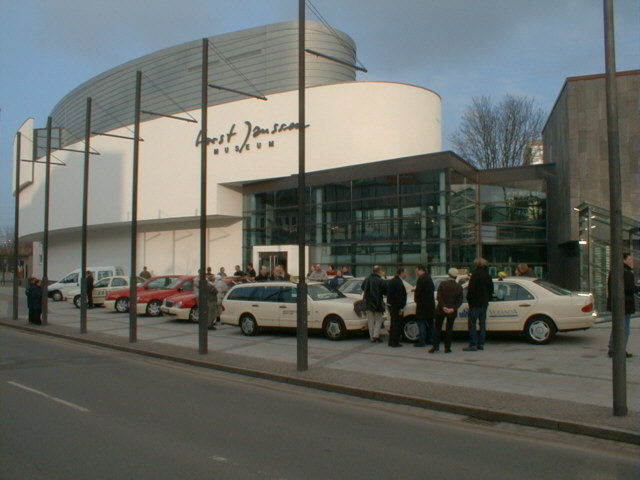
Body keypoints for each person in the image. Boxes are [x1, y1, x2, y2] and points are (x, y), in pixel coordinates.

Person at [607, 252, 636, 358]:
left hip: (616, 304)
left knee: (617, 327)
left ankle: (612, 347)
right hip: (625, 304)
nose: (631, 261)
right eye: (629, 259)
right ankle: (619, 349)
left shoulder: (613, 271)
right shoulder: (627, 272)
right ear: (623, 260)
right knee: (624, 328)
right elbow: (630, 288)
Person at [463, 258, 494, 351]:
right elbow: (491, 290)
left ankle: (473, 344)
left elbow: (471, 290)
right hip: (484, 302)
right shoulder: (487, 275)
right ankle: (481, 343)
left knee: (472, 324)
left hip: (475, 303)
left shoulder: (475, 275)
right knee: (482, 323)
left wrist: (469, 301)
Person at [430, 268, 463, 353]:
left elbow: (439, 297)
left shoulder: (443, 284)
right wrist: (453, 308)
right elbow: (459, 301)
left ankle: (435, 346)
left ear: (449, 275)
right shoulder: (459, 287)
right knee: (449, 329)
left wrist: (444, 307)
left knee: (437, 328)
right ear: (456, 276)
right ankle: (447, 347)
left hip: (441, 310)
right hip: (452, 311)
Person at [361, 265, 386, 342]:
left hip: (368, 302)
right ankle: (376, 335)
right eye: (381, 271)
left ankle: (372, 337)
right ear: (379, 271)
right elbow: (384, 291)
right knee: (379, 319)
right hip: (377, 302)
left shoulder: (367, 278)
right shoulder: (380, 280)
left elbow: (362, 287)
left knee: (370, 320)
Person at [413, 265, 435, 347]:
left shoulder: (421, 279)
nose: (417, 273)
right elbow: (433, 289)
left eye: (417, 271)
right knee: (431, 323)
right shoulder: (429, 278)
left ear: (421, 270)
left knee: (421, 322)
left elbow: (418, 292)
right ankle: (431, 339)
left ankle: (422, 340)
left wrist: (416, 299)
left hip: (422, 305)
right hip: (430, 305)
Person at [386, 267, 408, 347]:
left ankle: (391, 341)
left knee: (393, 324)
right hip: (396, 307)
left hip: (392, 306)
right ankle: (395, 342)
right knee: (396, 325)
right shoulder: (398, 282)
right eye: (405, 273)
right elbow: (399, 296)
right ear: (401, 273)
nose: (406, 274)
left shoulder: (393, 281)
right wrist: (401, 308)